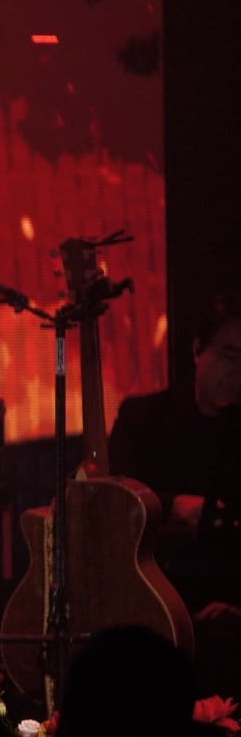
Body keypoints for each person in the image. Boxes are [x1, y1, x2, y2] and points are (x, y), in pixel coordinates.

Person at [109, 291, 241, 699]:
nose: (237, 371)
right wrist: (175, 505)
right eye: (229, 355)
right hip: (156, 596)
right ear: (198, 350)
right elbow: (115, 498)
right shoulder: (143, 418)